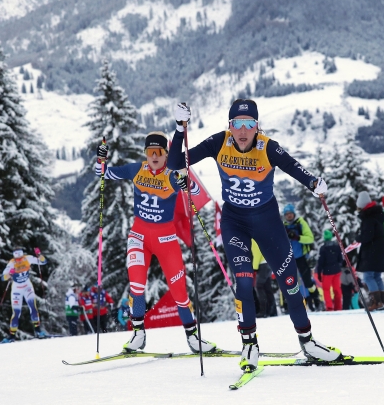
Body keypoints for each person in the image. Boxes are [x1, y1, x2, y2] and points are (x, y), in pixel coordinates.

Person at [169, 99, 340, 372]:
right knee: (244, 283)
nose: (243, 130)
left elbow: (294, 166)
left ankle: (307, 342)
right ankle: (249, 344)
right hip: (235, 221)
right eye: (237, 124)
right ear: (230, 126)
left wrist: (313, 183)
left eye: (249, 124)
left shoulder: (267, 146)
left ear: (257, 126)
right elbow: (176, 161)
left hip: (267, 221)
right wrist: (180, 128)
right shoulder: (219, 142)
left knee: (290, 282)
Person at [95, 131, 216, 353]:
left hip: (166, 238)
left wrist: (185, 181)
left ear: (166, 153)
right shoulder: (137, 169)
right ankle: (138, 335)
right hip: (139, 236)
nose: (154, 156)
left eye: (158, 152)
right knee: (137, 285)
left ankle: (192, 337)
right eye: (150, 152)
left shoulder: (171, 174)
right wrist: (100, 159)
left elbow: (195, 190)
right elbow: (102, 173)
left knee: (179, 290)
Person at [1, 248, 48, 342]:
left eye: (20, 256)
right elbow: (3, 277)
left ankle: (38, 331)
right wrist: (10, 274)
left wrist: (39, 254)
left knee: (33, 307)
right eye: (16, 257)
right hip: (16, 290)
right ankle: (11, 336)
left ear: (23, 254)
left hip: (27, 287)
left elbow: (43, 262)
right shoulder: (11, 263)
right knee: (16, 312)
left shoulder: (28, 258)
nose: (19, 259)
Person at [282, 204, 321, 311]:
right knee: (289, 282)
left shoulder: (300, 223)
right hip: (288, 259)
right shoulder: (283, 226)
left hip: (301, 257)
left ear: (294, 214)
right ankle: (291, 304)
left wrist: (297, 237)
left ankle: (316, 298)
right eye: (286, 214)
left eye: (290, 213)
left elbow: (310, 239)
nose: (289, 216)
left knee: (307, 281)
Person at [355, 191, 384, 311]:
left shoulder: (368, 218)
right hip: (380, 249)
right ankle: (383, 301)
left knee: (369, 276)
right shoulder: (377, 216)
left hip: (372, 250)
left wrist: (357, 237)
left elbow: (367, 236)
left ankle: (376, 301)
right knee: (377, 276)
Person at [315, 230, 343, 311]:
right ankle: (338, 307)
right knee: (337, 289)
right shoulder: (337, 247)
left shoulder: (323, 248)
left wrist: (319, 273)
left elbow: (321, 262)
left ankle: (329, 307)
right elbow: (340, 259)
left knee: (326, 290)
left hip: (327, 272)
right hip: (337, 271)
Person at [252, 240, 276, 318]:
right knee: (267, 287)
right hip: (268, 263)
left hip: (262, 264)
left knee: (259, 286)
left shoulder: (253, 240)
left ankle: (263, 311)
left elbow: (257, 253)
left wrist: (254, 267)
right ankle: (272, 311)